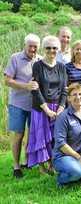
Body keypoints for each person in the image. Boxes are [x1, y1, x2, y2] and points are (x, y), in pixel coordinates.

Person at [27, 35, 68, 174]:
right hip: (41, 107)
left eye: (55, 48)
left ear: (58, 49)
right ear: (44, 49)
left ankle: (52, 164)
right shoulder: (37, 65)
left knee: (54, 137)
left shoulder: (62, 67)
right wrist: (46, 109)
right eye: (48, 48)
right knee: (41, 137)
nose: (52, 51)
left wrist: (61, 108)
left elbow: (64, 90)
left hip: (57, 108)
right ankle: (41, 167)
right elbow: (35, 89)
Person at [4, 33, 41, 178]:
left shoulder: (39, 59)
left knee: (32, 134)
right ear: (25, 45)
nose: (32, 49)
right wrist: (26, 86)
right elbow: (7, 81)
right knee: (18, 135)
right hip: (18, 104)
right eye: (30, 46)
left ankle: (27, 161)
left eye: (35, 47)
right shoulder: (15, 58)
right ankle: (16, 165)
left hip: (34, 105)